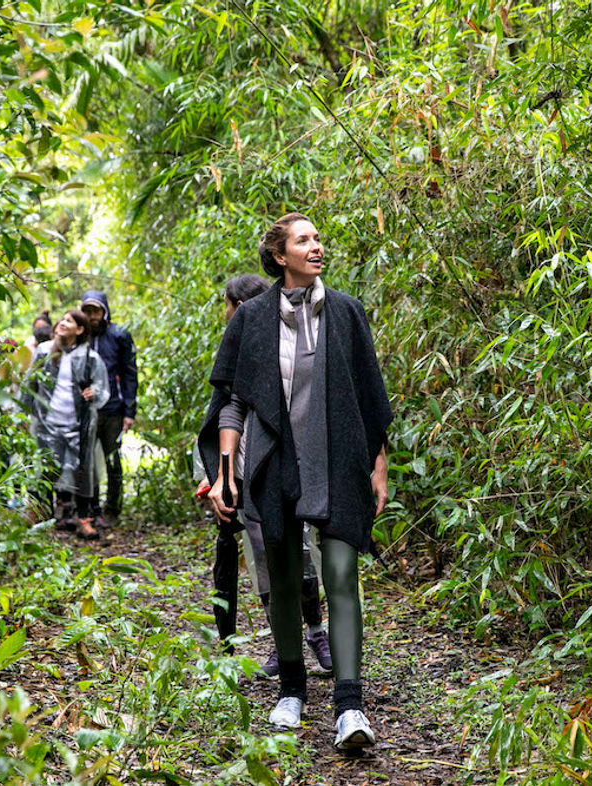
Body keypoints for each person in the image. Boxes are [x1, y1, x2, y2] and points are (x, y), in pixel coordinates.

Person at [199, 213, 392, 750]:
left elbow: (370, 401)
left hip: (337, 462)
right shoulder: (252, 318)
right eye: (303, 240)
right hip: (274, 464)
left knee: (339, 573)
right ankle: (291, 691)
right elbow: (233, 402)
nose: (316, 246)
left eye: (317, 238)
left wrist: (378, 466)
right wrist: (223, 475)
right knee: (283, 579)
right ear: (280, 256)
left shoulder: (348, 313)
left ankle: (350, 708)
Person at [198, 274, 332, 677]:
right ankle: (282, 642)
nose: (226, 314)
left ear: (239, 307)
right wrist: (219, 476)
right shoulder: (237, 348)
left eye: (227, 306)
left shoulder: (295, 341)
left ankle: (315, 632)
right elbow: (223, 411)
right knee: (264, 563)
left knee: (304, 560)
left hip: (292, 466)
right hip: (245, 471)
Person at [22, 310, 110, 540]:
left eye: (69, 321)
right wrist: (22, 414)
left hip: (78, 424)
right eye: (62, 319)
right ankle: (40, 518)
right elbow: (29, 384)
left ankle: (84, 519)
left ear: (80, 330)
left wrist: (95, 392)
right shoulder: (43, 351)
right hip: (47, 422)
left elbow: (102, 386)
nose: (62, 323)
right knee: (44, 469)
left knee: (82, 471)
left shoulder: (90, 356)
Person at [80, 290, 138, 527]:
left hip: (113, 409)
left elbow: (130, 374)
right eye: (87, 311)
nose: (92, 316)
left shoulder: (119, 335)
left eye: (96, 310)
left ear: (105, 310)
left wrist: (129, 411)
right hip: (86, 411)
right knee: (87, 462)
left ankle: (112, 509)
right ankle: (92, 509)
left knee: (112, 460)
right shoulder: (79, 336)